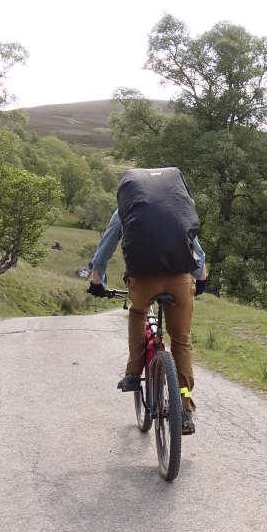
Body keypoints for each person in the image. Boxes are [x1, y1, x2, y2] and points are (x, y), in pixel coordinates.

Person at [87, 167, 207, 434]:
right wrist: (200, 278)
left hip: (143, 280)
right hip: (179, 279)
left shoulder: (126, 209)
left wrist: (98, 280)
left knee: (138, 312)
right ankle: (185, 408)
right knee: (181, 342)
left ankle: (133, 373)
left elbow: (107, 245)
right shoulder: (178, 209)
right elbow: (195, 248)